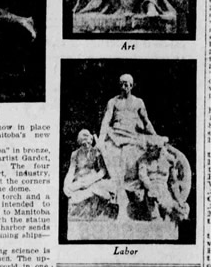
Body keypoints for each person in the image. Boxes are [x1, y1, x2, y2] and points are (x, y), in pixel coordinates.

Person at [97, 73, 157, 219]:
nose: (124, 86)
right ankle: (115, 198)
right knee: (108, 154)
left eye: (127, 83)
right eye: (121, 83)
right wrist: (100, 139)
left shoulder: (138, 102)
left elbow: (146, 121)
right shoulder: (113, 102)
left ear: (132, 85)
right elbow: (106, 121)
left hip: (132, 136)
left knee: (136, 157)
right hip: (116, 136)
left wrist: (155, 137)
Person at [63, 129, 116, 218]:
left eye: (89, 143)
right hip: (80, 181)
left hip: (93, 180)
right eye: (84, 144)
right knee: (70, 189)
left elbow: (103, 171)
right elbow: (70, 172)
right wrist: (66, 185)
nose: (87, 146)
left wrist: (91, 180)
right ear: (80, 143)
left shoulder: (96, 152)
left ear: (91, 141)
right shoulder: (75, 154)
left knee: (101, 188)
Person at [136, 136, 190, 222]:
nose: (156, 152)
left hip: (164, 190)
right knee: (154, 211)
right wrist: (150, 187)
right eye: (152, 149)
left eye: (158, 149)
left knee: (173, 209)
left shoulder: (170, 161)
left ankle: (177, 212)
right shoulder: (143, 160)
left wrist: (178, 198)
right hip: (150, 189)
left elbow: (173, 182)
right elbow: (142, 176)